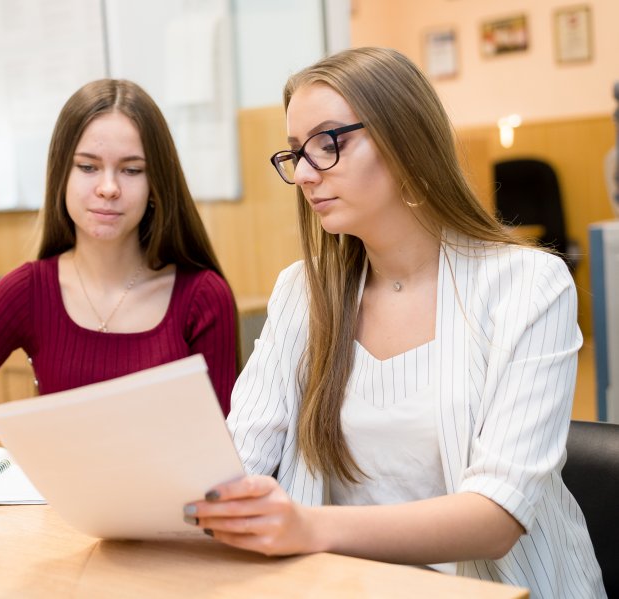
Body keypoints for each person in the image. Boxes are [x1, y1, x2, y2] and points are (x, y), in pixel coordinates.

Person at [183, 48, 606, 597]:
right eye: (295, 154)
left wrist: (307, 528)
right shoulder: (301, 293)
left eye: (328, 144)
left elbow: (496, 517)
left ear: (406, 142)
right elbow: (242, 458)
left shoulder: (529, 285)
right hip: (347, 586)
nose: (306, 174)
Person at [0, 79, 238, 496]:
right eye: (87, 167)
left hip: (175, 533)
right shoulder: (27, 291)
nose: (108, 187)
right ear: (60, 176)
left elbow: (228, 455)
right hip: (63, 535)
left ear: (156, 184)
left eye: (132, 169)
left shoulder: (204, 297)